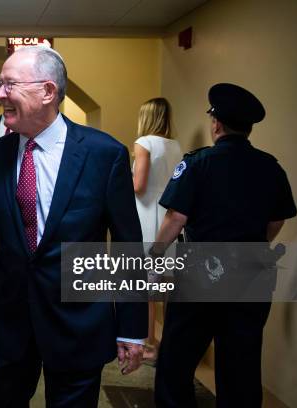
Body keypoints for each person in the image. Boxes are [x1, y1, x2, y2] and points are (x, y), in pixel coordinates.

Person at [0, 46, 147, 407]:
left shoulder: (103, 154)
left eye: (9, 84)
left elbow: (128, 247)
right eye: (0, 83)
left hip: (78, 321)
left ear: (48, 91)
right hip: (12, 322)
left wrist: (133, 329)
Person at [151, 83, 297, 407]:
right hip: (252, 274)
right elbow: (277, 220)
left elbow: (176, 219)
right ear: (248, 128)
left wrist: (154, 258)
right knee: (241, 366)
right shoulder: (269, 167)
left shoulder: (199, 163)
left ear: (215, 123)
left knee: (178, 359)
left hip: (200, 274)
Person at [132, 97, 182, 360]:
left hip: (145, 212)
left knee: (146, 285)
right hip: (169, 216)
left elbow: (139, 185)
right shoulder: (175, 146)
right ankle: (167, 343)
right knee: (165, 284)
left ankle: (149, 343)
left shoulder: (144, 143)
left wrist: (118, 183)